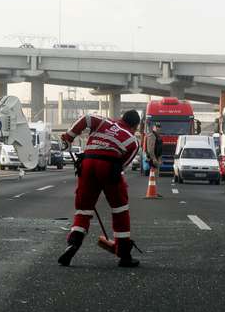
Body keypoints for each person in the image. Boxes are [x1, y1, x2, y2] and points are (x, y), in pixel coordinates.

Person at [58, 110, 141, 267]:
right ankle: (124, 254)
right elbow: (123, 165)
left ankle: (74, 242)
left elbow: (86, 118)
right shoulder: (132, 140)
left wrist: (69, 137)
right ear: (136, 126)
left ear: (121, 118)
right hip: (109, 165)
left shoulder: (105, 122)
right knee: (120, 209)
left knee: (83, 208)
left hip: (87, 162)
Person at [145, 122, 163, 190]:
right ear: (153, 128)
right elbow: (150, 149)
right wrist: (154, 159)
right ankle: (153, 191)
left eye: (159, 127)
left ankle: (154, 191)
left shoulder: (158, 136)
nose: (158, 128)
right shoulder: (152, 136)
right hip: (153, 159)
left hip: (157, 158)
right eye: (156, 127)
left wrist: (160, 159)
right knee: (154, 176)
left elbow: (160, 149)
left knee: (156, 176)